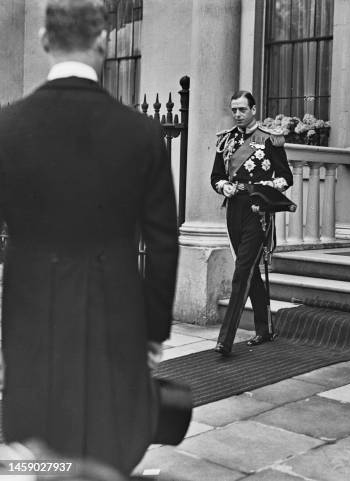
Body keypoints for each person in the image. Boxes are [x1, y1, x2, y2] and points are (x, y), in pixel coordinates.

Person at [0, 0, 179, 475]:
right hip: (115, 315)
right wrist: (154, 330)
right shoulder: (141, 131)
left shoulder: (5, 129)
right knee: (106, 449)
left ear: (44, 41)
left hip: (29, 316)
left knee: (42, 455)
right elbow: (164, 242)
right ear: (102, 41)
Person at [211, 91, 293, 355]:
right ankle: (264, 327)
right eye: (234, 110)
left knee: (242, 270)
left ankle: (225, 338)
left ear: (253, 110)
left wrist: (262, 187)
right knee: (248, 270)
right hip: (234, 209)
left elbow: (285, 178)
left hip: (258, 209)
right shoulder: (226, 140)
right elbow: (216, 176)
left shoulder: (269, 139)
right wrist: (224, 187)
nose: (237, 115)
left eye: (242, 110)